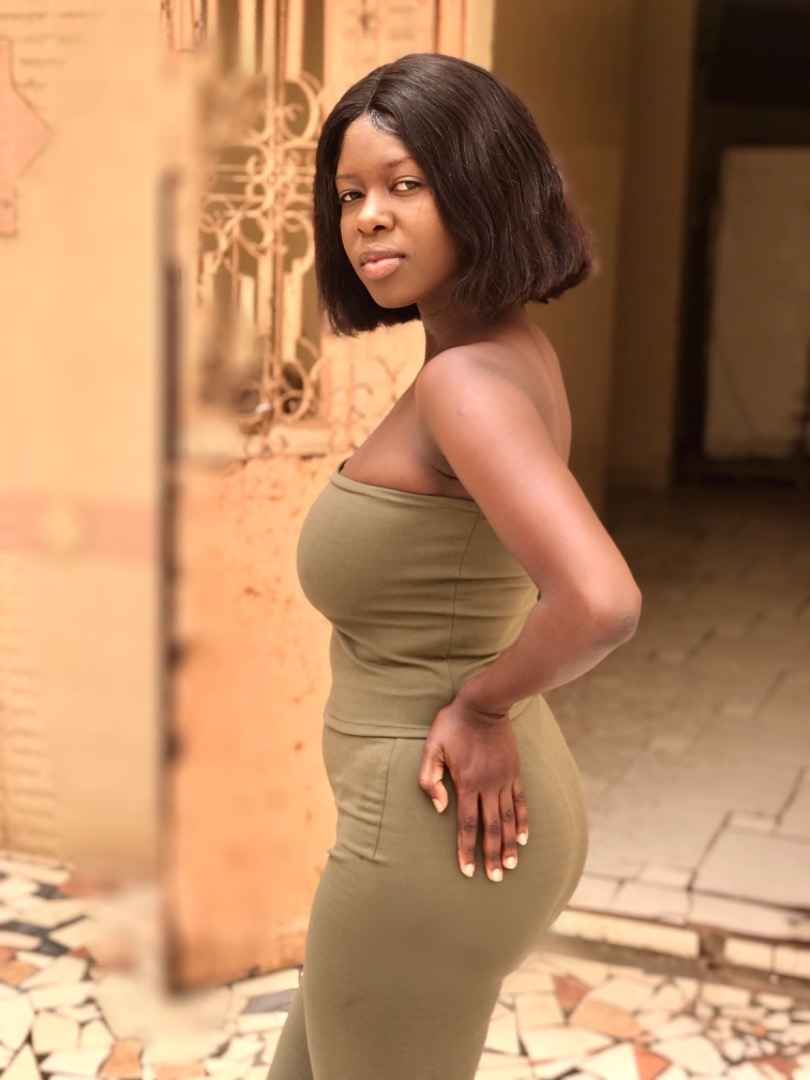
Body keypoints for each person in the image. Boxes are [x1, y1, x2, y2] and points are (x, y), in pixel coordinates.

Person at [269, 53, 641, 1080]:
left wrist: (481, 707)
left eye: (406, 184)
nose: (369, 219)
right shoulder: (503, 355)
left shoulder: (466, 386)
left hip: (430, 830)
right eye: (350, 194)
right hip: (440, 827)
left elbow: (601, 600)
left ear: (481, 187)